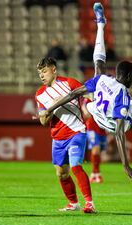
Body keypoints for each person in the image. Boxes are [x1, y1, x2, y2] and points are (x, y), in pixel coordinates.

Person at [39, 2, 132, 180]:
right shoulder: (122, 97)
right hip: (112, 124)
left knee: (99, 67)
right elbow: (120, 133)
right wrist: (126, 165)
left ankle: (100, 23)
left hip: (96, 111)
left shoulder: (103, 80)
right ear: (129, 77)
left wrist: (50, 108)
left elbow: (73, 93)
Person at [35, 57, 95, 213]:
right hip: (58, 138)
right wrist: (52, 107)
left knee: (75, 165)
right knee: (61, 174)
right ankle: (73, 203)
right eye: (39, 73)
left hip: (77, 131)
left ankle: (89, 203)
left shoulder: (70, 83)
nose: (41, 75)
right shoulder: (40, 94)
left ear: (54, 70)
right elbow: (43, 120)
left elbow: (90, 96)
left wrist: (92, 103)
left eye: (44, 71)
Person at [81, 97, 107, 183]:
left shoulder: (105, 98)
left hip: (102, 129)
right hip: (91, 128)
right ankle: (95, 173)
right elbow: (85, 110)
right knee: (96, 149)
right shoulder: (88, 99)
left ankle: (95, 173)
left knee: (100, 151)